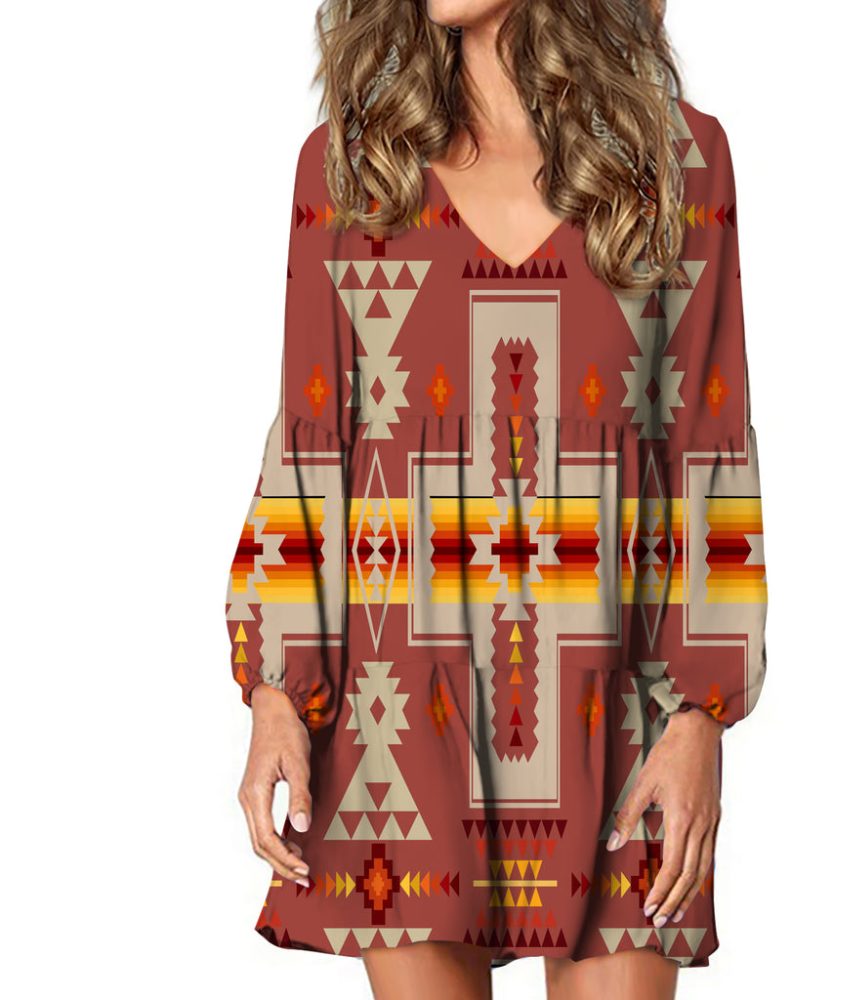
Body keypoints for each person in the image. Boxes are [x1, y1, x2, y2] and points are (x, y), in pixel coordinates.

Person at [223, 1, 768, 996]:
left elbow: (709, 447)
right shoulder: (351, 171)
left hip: (623, 711)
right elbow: (310, 448)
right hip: (398, 718)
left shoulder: (679, 163)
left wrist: (701, 714)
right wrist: (275, 691)